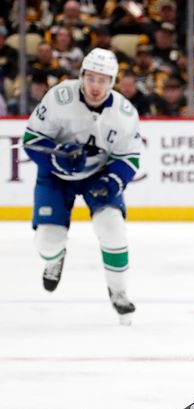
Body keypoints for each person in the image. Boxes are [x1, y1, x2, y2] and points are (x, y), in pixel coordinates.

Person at [22, 48, 142, 325]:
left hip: (97, 175)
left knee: (112, 228)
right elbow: (31, 140)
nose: (95, 86)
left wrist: (111, 181)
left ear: (112, 82)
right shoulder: (59, 97)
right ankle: (55, 259)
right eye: (91, 78)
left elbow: (130, 156)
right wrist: (58, 155)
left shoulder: (124, 113)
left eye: (103, 80)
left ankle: (119, 292)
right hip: (55, 175)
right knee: (47, 242)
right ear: (81, 76)